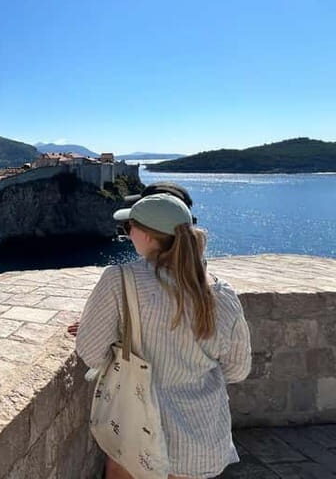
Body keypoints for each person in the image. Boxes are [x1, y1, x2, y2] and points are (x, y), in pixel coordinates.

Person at [68, 194, 251, 479]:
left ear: (147, 236)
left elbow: (91, 353)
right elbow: (238, 369)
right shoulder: (223, 294)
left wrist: (118, 332)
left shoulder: (120, 280)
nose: (127, 234)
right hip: (200, 439)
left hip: (135, 436)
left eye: (129, 227)